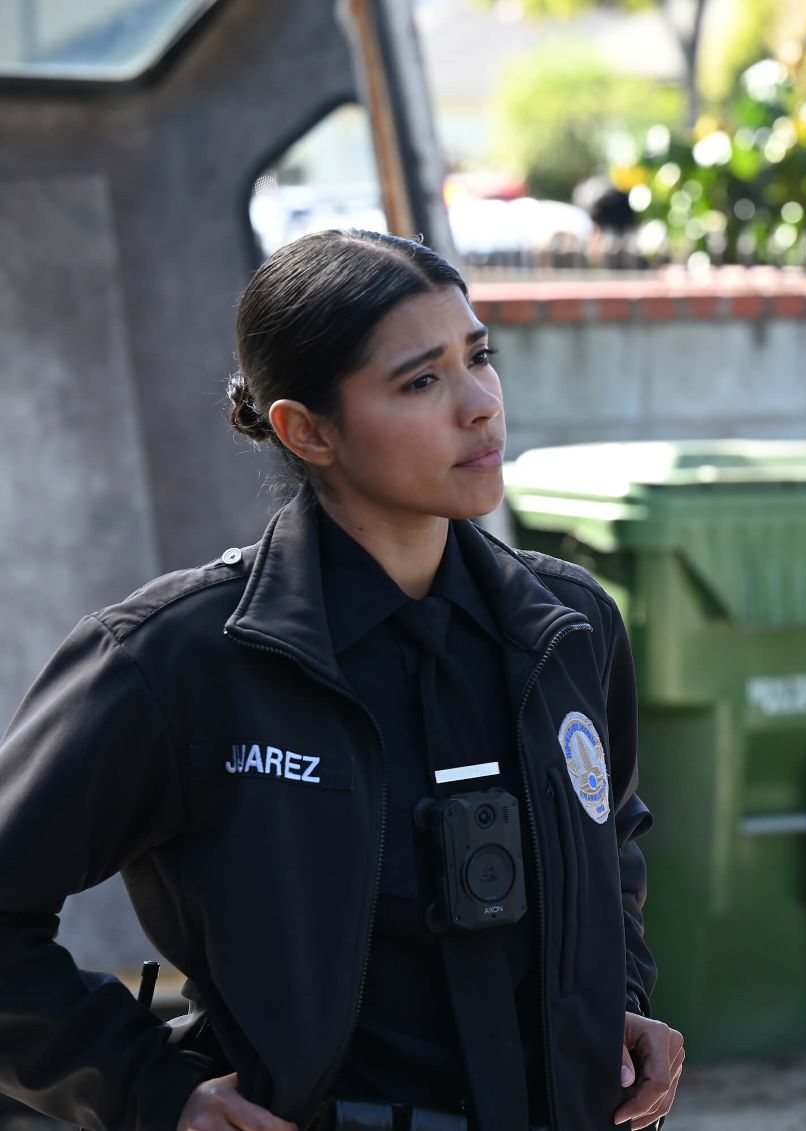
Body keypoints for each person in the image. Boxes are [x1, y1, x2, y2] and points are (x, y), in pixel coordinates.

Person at [0, 230, 683, 1131]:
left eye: (480, 357)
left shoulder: (569, 626)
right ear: (306, 429)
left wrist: (615, 1002)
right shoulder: (179, 660)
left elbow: (613, 845)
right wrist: (149, 1093)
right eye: (421, 380)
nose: (480, 404)